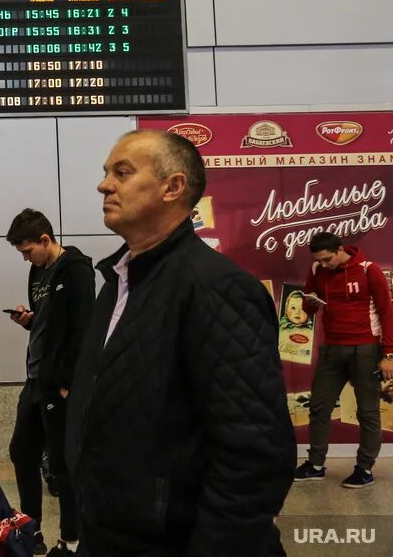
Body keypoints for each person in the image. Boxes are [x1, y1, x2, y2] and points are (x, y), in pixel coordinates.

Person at [66, 130, 295, 555]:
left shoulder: (216, 287)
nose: (104, 184)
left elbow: (254, 454)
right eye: (106, 173)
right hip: (111, 535)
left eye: (123, 172)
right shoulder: (116, 283)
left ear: (173, 187)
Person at [4, 209, 93, 557]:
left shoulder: (75, 270)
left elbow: (83, 328)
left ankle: (71, 540)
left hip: (58, 383)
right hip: (36, 378)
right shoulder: (37, 271)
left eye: (28, 251)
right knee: (21, 451)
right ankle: (31, 528)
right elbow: (49, 322)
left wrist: (68, 381)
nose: (27, 258)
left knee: (61, 463)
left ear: (45, 239)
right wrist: (29, 321)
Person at [293, 232, 393, 488]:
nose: (324, 265)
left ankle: (365, 468)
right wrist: (308, 307)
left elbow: (387, 312)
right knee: (318, 406)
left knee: (368, 411)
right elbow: (309, 303)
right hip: (332, 349)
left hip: (365, 349)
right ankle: (315, 465)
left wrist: (389, 355)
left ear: (340, 250)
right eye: (319, 261)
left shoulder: (369, 270)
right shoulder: (317, 268)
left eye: (327, 259)